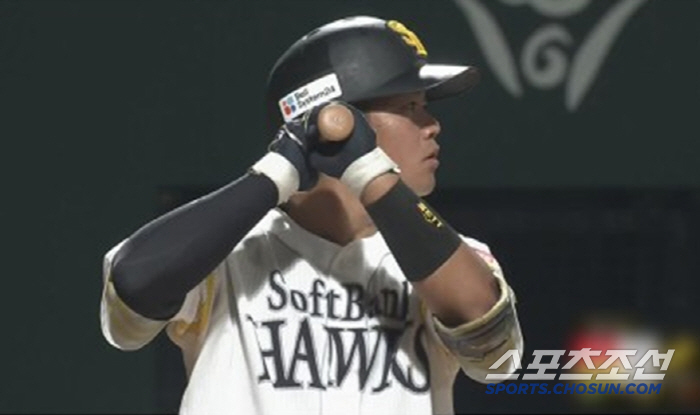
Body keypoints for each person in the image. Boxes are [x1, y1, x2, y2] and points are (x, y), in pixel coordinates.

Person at [100, 15, 524, 415]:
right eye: (410, 106)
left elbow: (496, 355)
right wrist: (277, 171)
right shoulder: (229, 251)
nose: (432, 125)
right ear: (334, 116)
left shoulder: (451, 257)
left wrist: (369, 172)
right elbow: (131, 297)